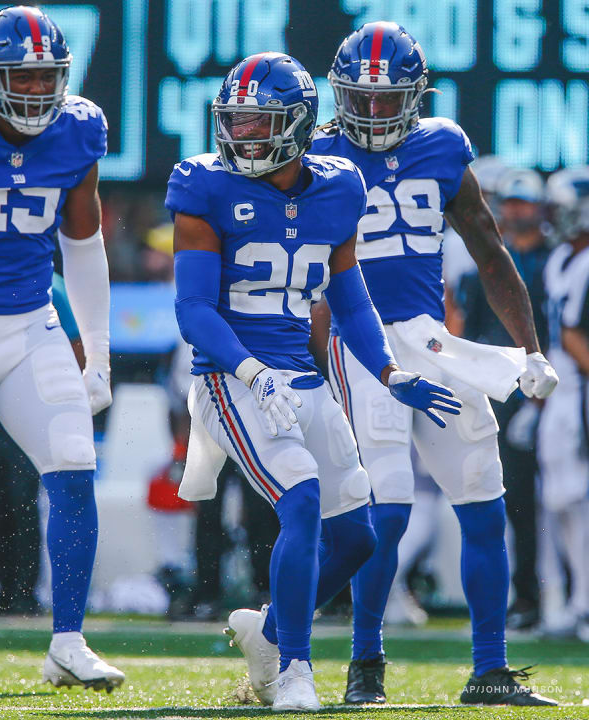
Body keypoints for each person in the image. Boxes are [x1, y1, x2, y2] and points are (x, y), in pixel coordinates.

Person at [168, 51, 459, 712]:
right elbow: (192, 310)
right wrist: (251, 372)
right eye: (235, 122)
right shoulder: (203, 186)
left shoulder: (338, 187)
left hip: (301, 378)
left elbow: (351, 301)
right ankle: (296, 670)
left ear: (297, 125)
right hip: (230, 377)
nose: (242, 135)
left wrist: (389, 370)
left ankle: (269, 635)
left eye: (258, 122)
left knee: (357, 536)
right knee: (299, 497)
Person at [310, 22, 559, 706]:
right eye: (365, 97)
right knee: (386, 505)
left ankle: (489, 668)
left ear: (417, 96)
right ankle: (366, 662)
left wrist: (529, 347)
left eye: (391, 99)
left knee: (483, 501)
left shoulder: (445, 147)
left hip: (434, 341)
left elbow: (489, 251)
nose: (377, 111)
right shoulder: (315, 155)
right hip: (362, 342)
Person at [0, 5, 124, 691]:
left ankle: (68, 643)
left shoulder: (79, 130)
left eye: (48, 78)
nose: (37, 92)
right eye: (23, 77)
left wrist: (96, 349)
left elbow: (83, 243)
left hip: (31, 321)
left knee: (75, 462)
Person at [455, 168, 552, 631]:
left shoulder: (555, 260)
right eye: (508, 203)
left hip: (550, 388)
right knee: (507, 501)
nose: (514, 211)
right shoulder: (481, 266)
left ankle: (560, 596)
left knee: (560, 501)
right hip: (499, 391)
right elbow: (470, 332)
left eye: (522, 202)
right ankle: (526, 596)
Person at [537, 167, 589, 642]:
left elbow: (575, 333)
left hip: (578, 391)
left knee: (574, 497)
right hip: (564, 390)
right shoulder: (562, 260)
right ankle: (573, 603)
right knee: (560, 499)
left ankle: (580, 603)